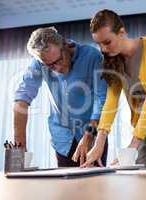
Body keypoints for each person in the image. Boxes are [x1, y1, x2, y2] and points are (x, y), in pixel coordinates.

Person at [82, 9, 146, 170]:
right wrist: (99, 143)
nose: (103, 49)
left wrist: (134, 143)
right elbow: (110, 103)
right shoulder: (115, 62)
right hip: (142, 129)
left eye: (107, 42)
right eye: (99, 44)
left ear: (122, 32)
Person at [14, 27, 108, 167]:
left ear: (65, 44)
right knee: (65, 186)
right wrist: (19, 149)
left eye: (58, 60)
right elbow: (21, 100)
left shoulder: (92, 56)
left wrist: (88, 136)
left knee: (95, 186)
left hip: (93, 134)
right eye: (49, 65)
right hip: (63, 139)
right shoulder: (39, 62)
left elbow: (102, 101)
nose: (56, 68)